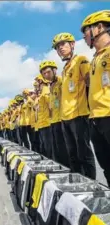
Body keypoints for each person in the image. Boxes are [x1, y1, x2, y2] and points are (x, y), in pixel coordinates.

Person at [52, 32, 96, 179]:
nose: (60, 49)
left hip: (80, 114)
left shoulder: (81, 60)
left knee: (84, 154)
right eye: (57, 47)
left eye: (63, 44)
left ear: (72, 44)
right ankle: (77, 184)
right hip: (66, 117)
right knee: (72, 155)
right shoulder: (64, 69)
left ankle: (90, 184)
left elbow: (90, 82)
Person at [81, 10, 110, 184]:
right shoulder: (95, 58)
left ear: (99, 27)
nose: (84, 37)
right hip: (96, 118)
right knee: (107, 167)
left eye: (86, 31)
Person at [40, 61, 70, 166]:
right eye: (44, 74)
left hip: (62, 119)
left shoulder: (61, 81)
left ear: (54, 70)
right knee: (57, 150)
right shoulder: (50, 86)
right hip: (53, 121)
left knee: (65, 150)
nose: (46, 75)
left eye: (48, 72)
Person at [34, 73, 53, 158]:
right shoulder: (42, 93)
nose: (35, 85)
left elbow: (51, 105)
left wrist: (50, 118)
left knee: (48, 147)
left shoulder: (45, 90)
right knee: (43, 147)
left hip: (46, 123)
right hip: (42, 123)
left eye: (37, 82)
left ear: (41, 81)